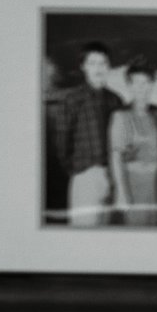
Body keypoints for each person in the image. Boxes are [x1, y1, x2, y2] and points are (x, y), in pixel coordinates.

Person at [53, 41, 120, 222]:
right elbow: (62, 143)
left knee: (108, 233)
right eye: (92, 63)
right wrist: (77, 170)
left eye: (103, 63)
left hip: (112, 176)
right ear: (83, 67)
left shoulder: (115, 100)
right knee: (84, 232)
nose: (98, 68)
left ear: (109, 66)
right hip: (84, 176)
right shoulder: (72, 99)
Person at [110, 63, 157, 225]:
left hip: (156, 186)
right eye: (136, 82)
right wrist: (121, 193)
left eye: (146, 82)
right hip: (133, 185)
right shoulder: (121, 116)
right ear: (129, 86)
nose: (141, 88)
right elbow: (116, 156)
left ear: (152, 84)